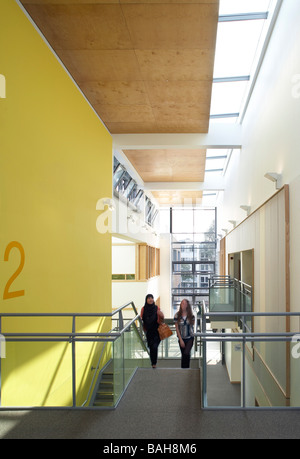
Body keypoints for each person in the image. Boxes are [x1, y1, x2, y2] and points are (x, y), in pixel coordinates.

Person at [141, 294, 164, 368]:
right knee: (151, 347)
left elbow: (161, 320)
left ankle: (154, 363)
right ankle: (153, 362)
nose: (150, 299)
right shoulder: (143, 309)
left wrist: (162, 316)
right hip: (149, 331)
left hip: (157, 331)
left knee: (154, 346)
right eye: (149, 298)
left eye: (152, 298)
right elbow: (142, 319)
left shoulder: (157, 308)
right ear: (146, 300)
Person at [174, 299, 195, 368]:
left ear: (187, 305)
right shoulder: (177, 315)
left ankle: (187, 369)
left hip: (190, 338)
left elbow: (192, 326)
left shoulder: (191, 316)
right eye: (182, 303)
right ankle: (183, 370)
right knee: (183, 354)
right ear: (180, 305)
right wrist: (180, 340)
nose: (183, 305)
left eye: (185, 304)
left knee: (186, 353)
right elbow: (177, 328)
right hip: (182, 338)